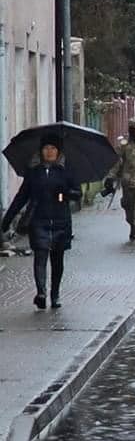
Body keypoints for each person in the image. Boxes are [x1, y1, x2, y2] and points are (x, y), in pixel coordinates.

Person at [2, 131, 80, 309]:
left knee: (57, 260)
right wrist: (7, 220)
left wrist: (64, 194)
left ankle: (55, 295)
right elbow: (21, 197)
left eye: (53, 148)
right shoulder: (34, 173)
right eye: (46, 148)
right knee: (40, 256)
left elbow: (77, 194)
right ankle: (41, 292)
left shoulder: (66, 172)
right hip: (39, 221)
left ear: (58, 151)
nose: (49, 151)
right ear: (41, 151)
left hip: (61, 221)